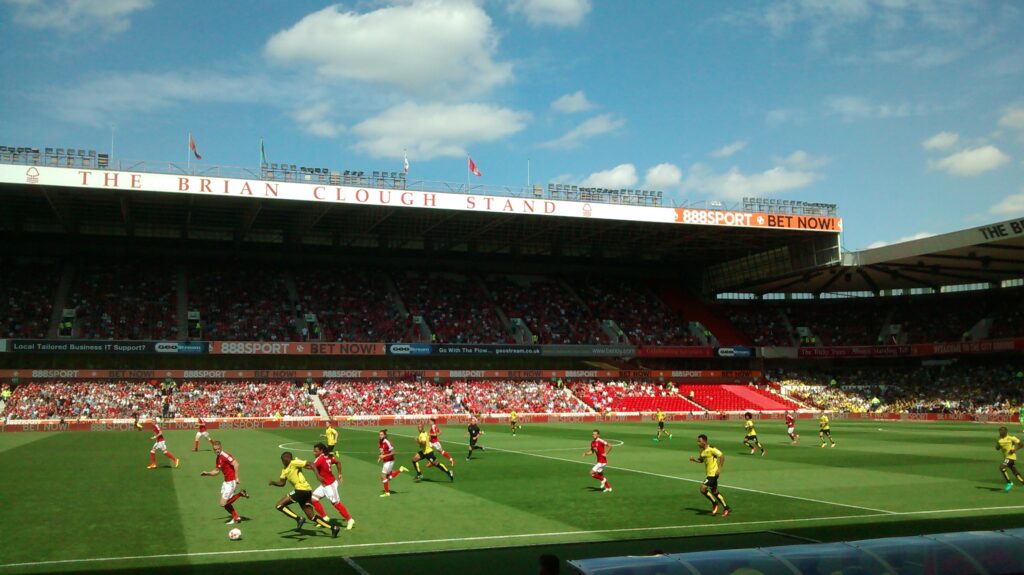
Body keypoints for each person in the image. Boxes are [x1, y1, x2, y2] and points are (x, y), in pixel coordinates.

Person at [268, 451, 339, 537]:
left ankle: (299, 519)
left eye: (288, 457)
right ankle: (333, 528)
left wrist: (317, 475)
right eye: (285, 458)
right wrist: (274, 483)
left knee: (279, 505)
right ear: (283, 460)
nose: (287, 459)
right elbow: (282, 483)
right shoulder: (284, 470)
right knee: (311, 516)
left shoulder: (294, 463)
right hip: (305, 492)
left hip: (302, 490)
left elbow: (311, 464)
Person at [199, 440, 248, 524]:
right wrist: (207, 473)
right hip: (226, 483)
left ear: (221, 447)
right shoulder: (218, 458)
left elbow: (236, 464)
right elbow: (217, 471)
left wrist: (237, 477)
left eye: (218, 449)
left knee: (223, 503)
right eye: (215, 449)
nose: (217, 450)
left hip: (232, 481)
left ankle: (241, 494)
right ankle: (236, 517)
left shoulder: (225, 455)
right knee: (226, 504)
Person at [310, 443, 355, 530]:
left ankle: (350, 520)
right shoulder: (326, 457)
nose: (314, 452)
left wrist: (300, 464)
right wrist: (339, 474)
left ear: (321, 451)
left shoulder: (320, 458)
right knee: (313, 499)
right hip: (324, 485)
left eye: (316, 451)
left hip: (330, 485)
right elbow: (337, 462)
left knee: (336, 503)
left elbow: (311, 466)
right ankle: (324, 517)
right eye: (314, 451)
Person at [689, 434, 730, 517]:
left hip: (713, 474)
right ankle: (726, 508)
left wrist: (719, 469)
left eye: (699, 441)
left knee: (703, 488)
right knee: (714, 492)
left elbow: (722, 456)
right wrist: (694, 460)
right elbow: (701, 461)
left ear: (704, 441)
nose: (698, 443)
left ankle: (715, 504)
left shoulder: (711, 448)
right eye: (697, 441)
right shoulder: (701, 451)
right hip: (709, 473)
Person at [378, 429, 409, 497]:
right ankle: (400, 469)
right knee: (387, 477)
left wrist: (384, 455)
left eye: (381, 434)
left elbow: (394, 452)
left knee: (383, 476)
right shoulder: (380, 442)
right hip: (385, 461)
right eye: (379, 435)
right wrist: (380, 457)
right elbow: (382, 451)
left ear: (385, 435)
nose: (380, 436)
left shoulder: (387, 442)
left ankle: (387, 493)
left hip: (389, 461)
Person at [997, 426, 1024, 492]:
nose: (1000, 432)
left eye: (1002, 431)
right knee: (1015, 471)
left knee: (1002, 467)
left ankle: (1009, 483)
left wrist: (1014, 449)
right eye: (1000, 431)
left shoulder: (1011, 438)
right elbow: (997, 447)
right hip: (1006, 457)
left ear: (1006, 431)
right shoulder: (999, 439)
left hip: (1011, 457)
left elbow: (1021, 444)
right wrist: (998, 446)